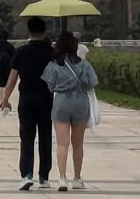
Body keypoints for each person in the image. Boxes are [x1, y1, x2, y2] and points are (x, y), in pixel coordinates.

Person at [0, 17, 55, 191]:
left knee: (27, 138)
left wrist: (5, 99)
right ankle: (44, 176)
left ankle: (26, 175)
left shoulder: (21, 52)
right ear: (44, 31)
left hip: (26, 99)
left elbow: (12, 79)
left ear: (29, 31)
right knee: (45, 137)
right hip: (47, 99)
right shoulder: (51, 52)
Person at [41, 31, 98, 191]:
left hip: (61, 103)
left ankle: (62, 178)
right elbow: (91, 83)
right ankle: (77, 178)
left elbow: (50, 86)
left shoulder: (53, 64)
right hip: (80, 103)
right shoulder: (84, 64)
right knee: (78, 142)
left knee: (62, 143)